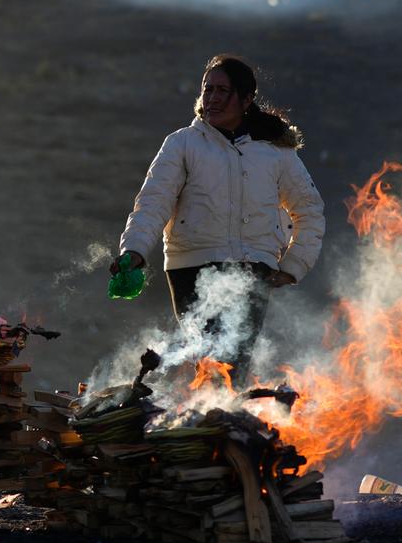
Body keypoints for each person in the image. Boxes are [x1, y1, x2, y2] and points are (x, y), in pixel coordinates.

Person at [116, 55, 325, 378]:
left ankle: (219, 423)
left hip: (253, 269)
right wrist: (135, 251)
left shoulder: (275, 152)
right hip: (192, 270)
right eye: (207, 89)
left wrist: (293, 266)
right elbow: (153, 202)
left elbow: (309, 210)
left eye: (222, 91)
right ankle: (209, 420)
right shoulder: (182, 144)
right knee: (210, 359)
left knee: (232, 364)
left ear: (246, 99)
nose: (211, 99)